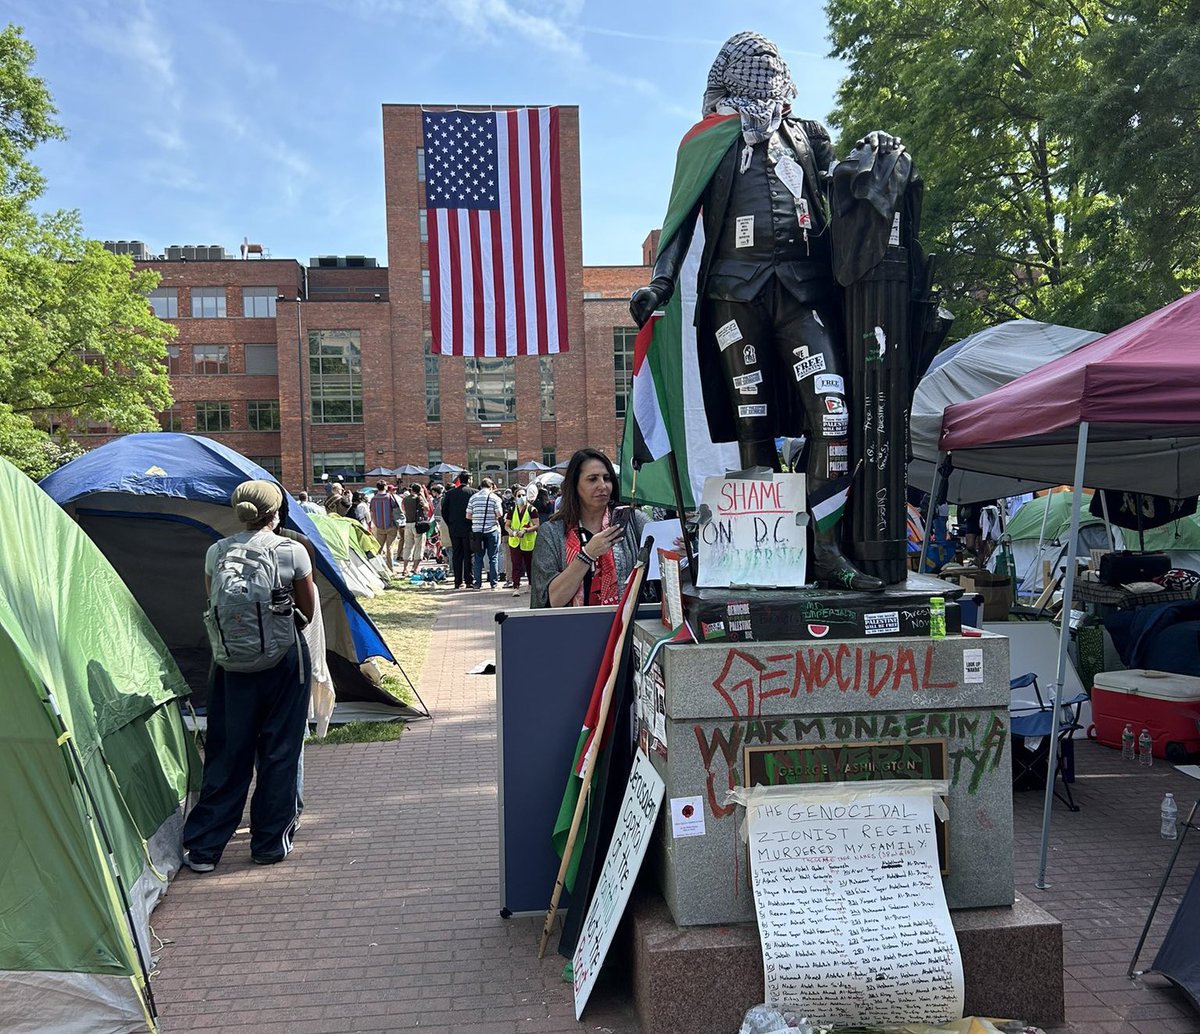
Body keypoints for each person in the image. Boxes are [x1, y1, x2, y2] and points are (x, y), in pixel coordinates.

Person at [629, 31, 902, 592]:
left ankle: (823, 549)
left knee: (833, 413)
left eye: (772, 62)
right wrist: (659, 284)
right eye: (752, 64)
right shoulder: (708, 141)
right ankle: (767, 558)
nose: (766, 71)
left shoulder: (807, 135)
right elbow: (680, 219)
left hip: (801, 293)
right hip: (735, 296)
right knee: (750, 426)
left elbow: (840, 193)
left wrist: (872, 155)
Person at [183, 480, 315, 872]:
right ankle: (269, 844)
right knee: (279, 750)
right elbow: (306, 610)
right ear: (276, 513)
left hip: (228, 665)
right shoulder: (292, 551)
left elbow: (212, 601)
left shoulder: (216, 552)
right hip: (284, 660)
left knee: (227, 752)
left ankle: (205, 848)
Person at [530, 448, 648, 609]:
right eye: (592, 479)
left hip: (624, 630)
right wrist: (587, 555)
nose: (602, 486)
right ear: (575, 484)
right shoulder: (551, 533)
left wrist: (680, 551)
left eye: (607, 478)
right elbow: (552, 600)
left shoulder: (632, 521)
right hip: (573, 630)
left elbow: (667, 562)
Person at [467, 477, 504, 590]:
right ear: (491, 486)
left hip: (477, 531)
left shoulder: (473, 498)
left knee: (478, 557)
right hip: (491, 530)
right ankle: (494, 583)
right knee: (493, 556)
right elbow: (499, 514)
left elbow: (468, 515)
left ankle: (477, 583)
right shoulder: (494, 498)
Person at [442, 472, 475, 589]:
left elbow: (444, 511)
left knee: (457, 554)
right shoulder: (473, 493)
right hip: (469, 528)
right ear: (469, 480)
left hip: (454, 528)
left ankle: (458, 581)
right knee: (468, 554)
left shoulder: (450, 494)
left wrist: (450, 523)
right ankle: (469, 580)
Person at [504, 488, 539, 595]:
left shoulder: (532, 510)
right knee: (516, 564)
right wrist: (510, 531)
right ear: (515, 497)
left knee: (530, 565)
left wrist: (526, 530)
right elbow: (507, 525)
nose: (521, 497)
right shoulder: (512, 510)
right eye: (519, 496)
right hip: (515, 541)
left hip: (528, 541)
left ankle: (531, 585)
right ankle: (516, 587)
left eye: (523, 495)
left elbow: (537, 525)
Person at [370, 481, 402, 573]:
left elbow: (372, 512)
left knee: (378, 549)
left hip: (379, 526)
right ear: (385, 487)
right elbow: (397, 511)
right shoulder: (389, 497)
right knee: (389, 548)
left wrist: (375, 524)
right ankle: (390, 569)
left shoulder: (373, 499)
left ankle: (377, 568)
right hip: (391, 525)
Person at [398, 483, 429, 577]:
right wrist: (423, 495)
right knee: (419, 546)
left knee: (407, 546)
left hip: (408, 523)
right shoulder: (418, 498)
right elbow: (427, 508)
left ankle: (405, 568)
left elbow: (403, 510)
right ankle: (415, 568)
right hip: (417, 524)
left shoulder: (405, 499)